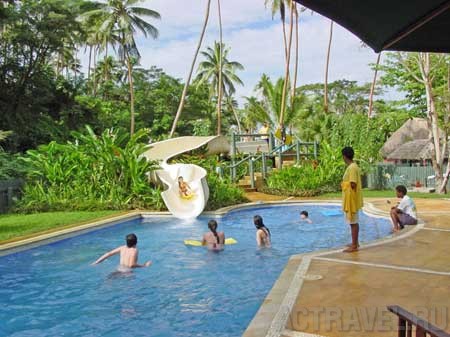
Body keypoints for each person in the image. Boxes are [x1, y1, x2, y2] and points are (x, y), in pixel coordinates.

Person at [341, 146, 363, 253]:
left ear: (344, 156)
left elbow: (353, 184)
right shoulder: (352, 167)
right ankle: (355, 242)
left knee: (353, 222)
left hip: (352, 199)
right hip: (351, 198)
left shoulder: (352, 168)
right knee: (353, 222)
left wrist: (344, 185)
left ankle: (354, 245)